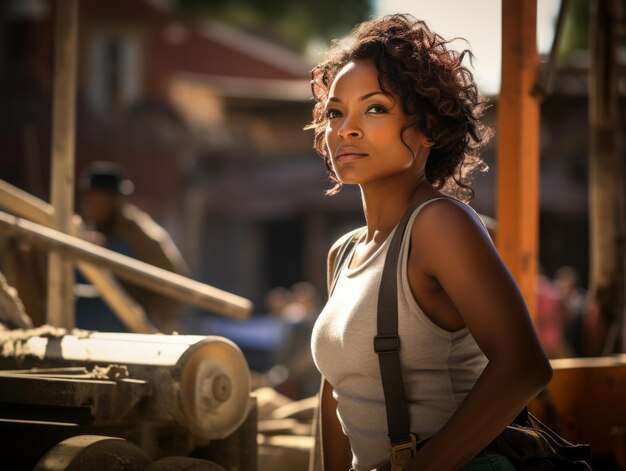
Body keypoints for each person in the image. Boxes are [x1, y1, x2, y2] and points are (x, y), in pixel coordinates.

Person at [308, 15, 552, 471]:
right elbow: (335, 394)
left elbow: (524, 367)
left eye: (375, 108)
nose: (348, 128)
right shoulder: (342, 254)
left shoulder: (439, 225)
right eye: (336, 112)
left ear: (429, 129)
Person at [76, 161, 189, 333]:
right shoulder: (84, 232)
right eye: (91, 201)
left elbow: (174, 287)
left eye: (100, 202)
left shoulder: (141, 235)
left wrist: (162, 321)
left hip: (129, 331)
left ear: (115, 201)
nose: (94, 209)